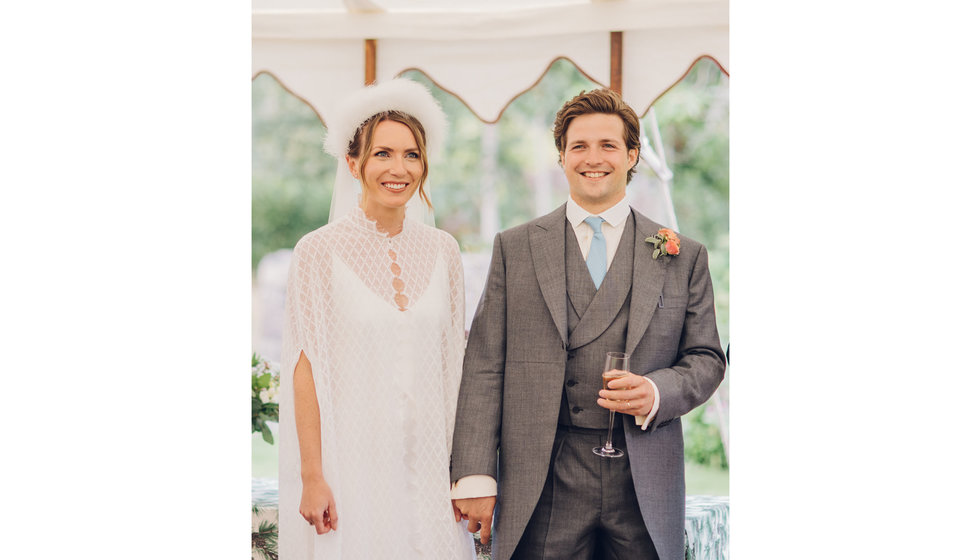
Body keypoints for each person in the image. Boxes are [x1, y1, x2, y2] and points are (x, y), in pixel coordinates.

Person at [450, 88, 726, 560]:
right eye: (579, 146)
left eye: (608, 145)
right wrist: (475, 475)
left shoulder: (684, 254)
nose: (592, 158)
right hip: (544, 475)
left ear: (632, 154)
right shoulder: (514, 249)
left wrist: (657, 391)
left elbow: (706, 358)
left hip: (644, 474)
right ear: (561, 157)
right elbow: (483, 366)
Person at [278, 78, 476, 559]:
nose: (399, 168)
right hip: (353, 466)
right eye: (383, 153)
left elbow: (456, 365)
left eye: (411, 155)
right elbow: (305, 369)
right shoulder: (317, 251)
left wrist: (464, 470)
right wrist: (312, 475)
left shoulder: (445, 250)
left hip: (431, 465)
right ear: (353, 164)